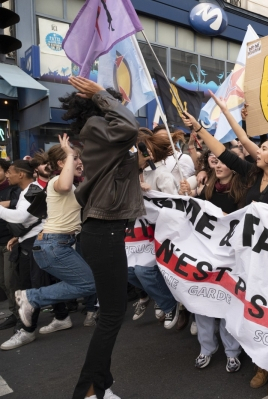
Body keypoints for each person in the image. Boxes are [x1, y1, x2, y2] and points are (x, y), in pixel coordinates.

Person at [181, 93, 268, 397]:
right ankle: (264, 364)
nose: (256, 151)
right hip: (248, 257)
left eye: (261, 148)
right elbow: (222, 149)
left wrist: (264, 213)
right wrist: (199, 127)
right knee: (256, 309)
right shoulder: (251, 174)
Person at [64, 76, 148, 399]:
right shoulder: (99, 126)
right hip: (104, 230)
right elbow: (129, 126)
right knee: (112, 315)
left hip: (104, 230)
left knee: (111, 314)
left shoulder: (98, 134)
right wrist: (102, 95)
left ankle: (101, 386)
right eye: (114, 102)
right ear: (98, 105)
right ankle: (85, 392)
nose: (120, 107)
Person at [14, 135, 96, 337]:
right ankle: (31, 298)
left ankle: (38, 302)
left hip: (59, 244)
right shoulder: (56, 182)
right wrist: (68, 153)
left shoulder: (72, 185)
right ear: (62, 163)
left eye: (78, 158)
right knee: (88, 283)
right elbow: (65, 185)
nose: (79, 162)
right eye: (75, 158)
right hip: (53, 245)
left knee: (83, 282)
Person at [179, 147, 245, 374]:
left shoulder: (242, 190)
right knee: (204, 302)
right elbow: (196, 211)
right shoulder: (207, 187)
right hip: (205, 255)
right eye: (214, 162)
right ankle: (206, 349)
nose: (217, 165)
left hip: (229, 256)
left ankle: (232, 353)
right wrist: (189, 196)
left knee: (227, 303)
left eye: (222, 162)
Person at [130, 129, 182, 329]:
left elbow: (174, 208)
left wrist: (151, 193)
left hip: (160, 234)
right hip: (139, 234)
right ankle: (160, 296)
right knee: (129, 271)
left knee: (144, 271)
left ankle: (169, 303)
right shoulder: (134, 174)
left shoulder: (162, 176)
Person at [0, 160, 54, 350]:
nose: (8, 176)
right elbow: (29, 220)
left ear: (21, 174)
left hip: (34, 245)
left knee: (31, 287)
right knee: (34, 285)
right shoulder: (27, 191)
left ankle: (27, 330)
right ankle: (62, 317)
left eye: (10, 172)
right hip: (29, 243)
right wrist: (18, 236)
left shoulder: (33, 190)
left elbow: (21, 217)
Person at [0, 159, 20, 331]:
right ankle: (14, 313)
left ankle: (20, 315)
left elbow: (21, 208)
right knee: (2, 281)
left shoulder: (13, 188)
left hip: (9, 240)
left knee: (10, 280)